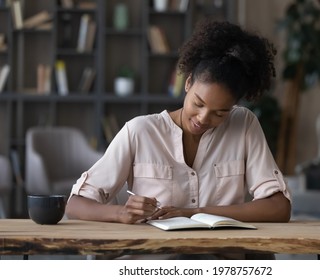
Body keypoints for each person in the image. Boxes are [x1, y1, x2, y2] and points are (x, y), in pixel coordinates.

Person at [66, 20, 291, 259]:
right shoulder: (140, 131)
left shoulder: (244, 124)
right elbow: (75, 205)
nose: (204, 118)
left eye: (220, 113)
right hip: (155, 263)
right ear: (188, 83)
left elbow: (278, 207)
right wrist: (121, 213)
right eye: (198, 103)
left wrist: (195, 212)